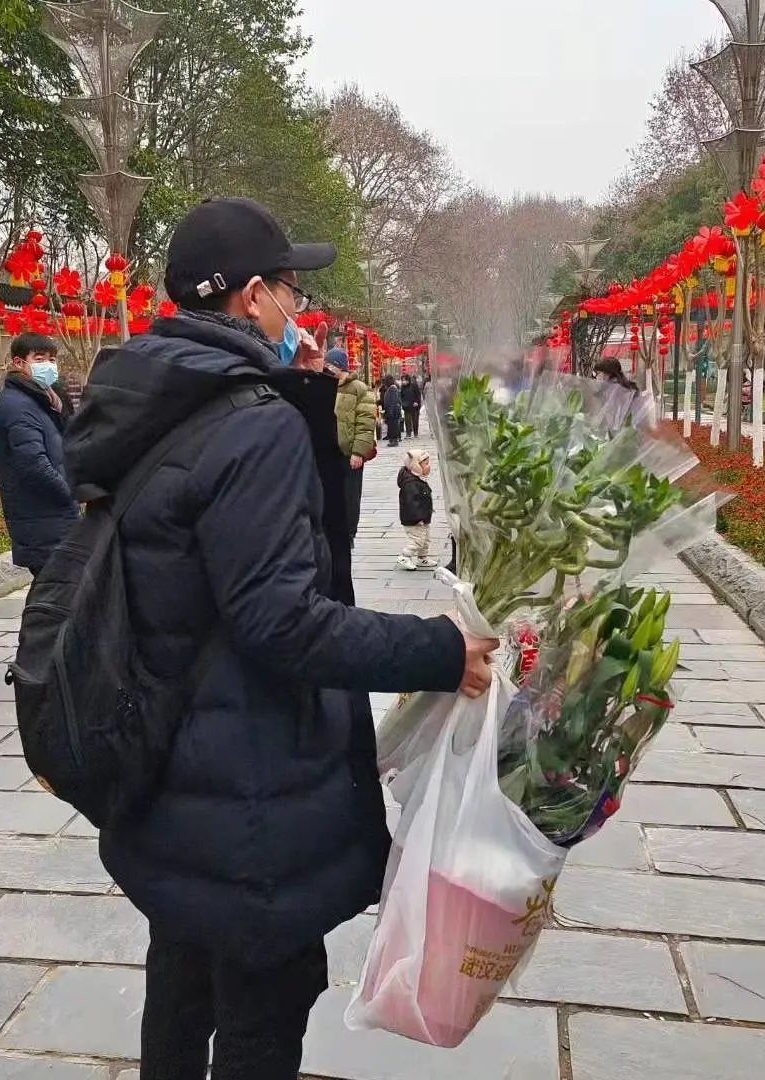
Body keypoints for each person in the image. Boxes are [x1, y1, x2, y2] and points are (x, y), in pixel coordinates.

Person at [63, 196, 497, 1080]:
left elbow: (250, 562)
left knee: (181, 986)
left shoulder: (155, 395)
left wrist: (315, 431)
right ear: (253, 297)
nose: (302, 312)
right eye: (293, 294)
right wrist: (440, 650)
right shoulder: (245, 420)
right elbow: (282, 619)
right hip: (247, 787)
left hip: (169, 772)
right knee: (263, 1008)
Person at [0, 333, 79, 576]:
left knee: (58, 598)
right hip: (42, 521)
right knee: (56, 599)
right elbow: (34, 465)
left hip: (53, 519)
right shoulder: (18, 405)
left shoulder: (43, 399)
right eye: (39, 359)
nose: (48, 366)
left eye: (52, 359)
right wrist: (72, 492)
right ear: (19, 363)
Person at [329, 346, 376, 547]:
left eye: (330, 365)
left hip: (350, 453)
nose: (327, 368)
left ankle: (349, 534)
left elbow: (366, 424)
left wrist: (358, 452)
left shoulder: (360, 389)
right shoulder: (325, 386)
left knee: (350, 495)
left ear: (341, 367)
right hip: (330, 452)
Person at [397, 448, 437, 571]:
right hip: (415, 519)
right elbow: (411, 504)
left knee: (425, 539)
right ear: (416, 466)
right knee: (417, 540)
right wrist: (418, 517)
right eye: (426, 464)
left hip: (423, 517)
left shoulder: (418, 479)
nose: (429, 466)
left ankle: (422, 557)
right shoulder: (410, 484)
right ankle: (405, 556)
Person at [382, 375, 402, 446]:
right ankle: (392, 440)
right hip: (391, 411)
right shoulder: (390, 388)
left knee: (393, 426)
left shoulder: (392, 388)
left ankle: (394, 440)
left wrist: (390, 411)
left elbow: (393, 401)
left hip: (393, 411)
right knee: (391, 426)